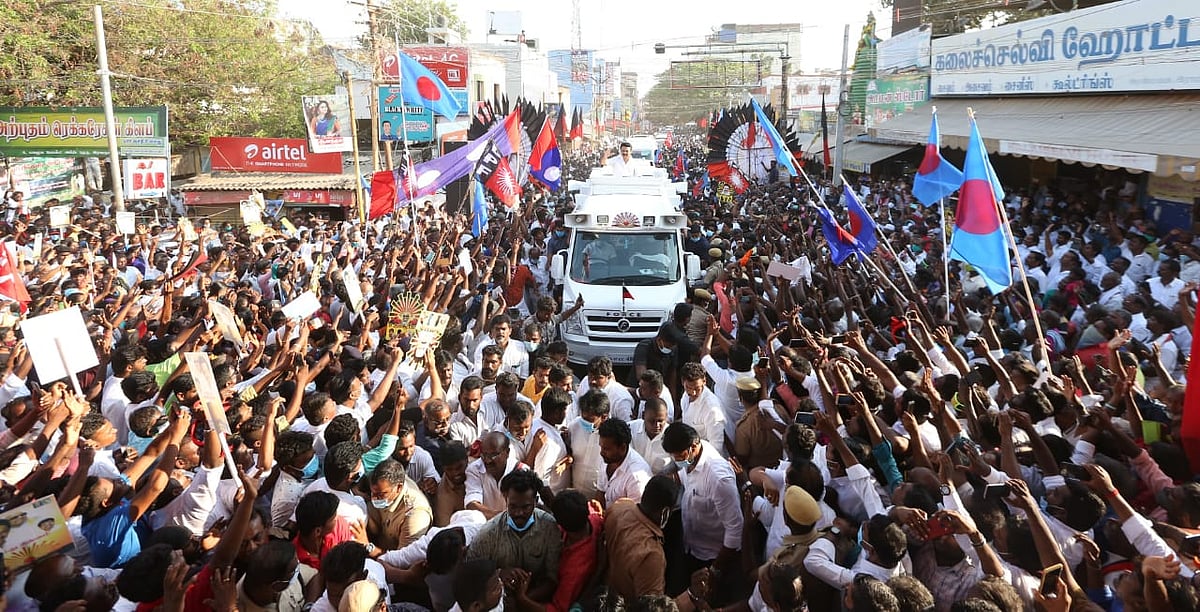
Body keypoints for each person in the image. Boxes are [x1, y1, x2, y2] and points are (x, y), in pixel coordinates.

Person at [465, 470, 562, 603]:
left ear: (535, 501)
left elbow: (553, 579)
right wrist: (498, 574)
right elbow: (470, 573)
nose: (519, 513)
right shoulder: (488, 534)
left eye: (526, 507)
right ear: (505, 498)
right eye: (513, 506)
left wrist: (523, 600)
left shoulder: (550, 527)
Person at [604, 474, 679, 600]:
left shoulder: (619, 507)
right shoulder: (651, 555)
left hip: (606, 596)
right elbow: (651, 606)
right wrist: (691, 596)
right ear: (665, 513)